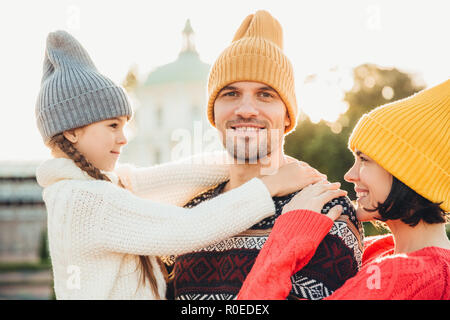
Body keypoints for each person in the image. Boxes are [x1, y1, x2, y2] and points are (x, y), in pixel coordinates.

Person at [35, 30, 325, 299]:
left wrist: (267, 164)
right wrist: (269, 184)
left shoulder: (96, 187)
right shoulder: (84, 200)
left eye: (125, 125)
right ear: (72, 130)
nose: (123, 139)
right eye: (112, 125)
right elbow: (187, 229)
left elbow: (176, 177)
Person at [168, 10, 364, 301]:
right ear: (213, 114)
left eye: (266, 95)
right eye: (231, 94)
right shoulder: (190, 213)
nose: (246, 109)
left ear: (287, 115)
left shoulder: (326, 209)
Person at [237, 79, 450, 300]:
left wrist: (288, 237)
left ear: (409, 172)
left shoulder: (404, 274)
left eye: (364, 160)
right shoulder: (381, 251)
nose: (350, 175)